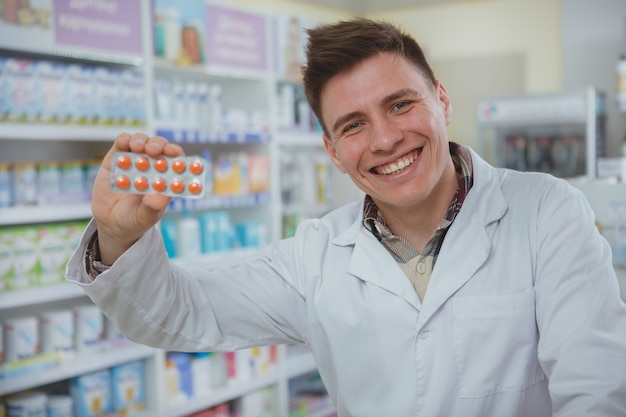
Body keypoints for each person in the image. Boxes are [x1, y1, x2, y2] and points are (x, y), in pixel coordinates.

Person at [66, 18, 626, 417]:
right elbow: (178, 313)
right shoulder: (314, 254)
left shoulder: (547, 212)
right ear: (332, 150)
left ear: (442, 101)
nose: (385, 139)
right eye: (353, 125)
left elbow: (597, 392)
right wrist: (119, 236)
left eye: (401, 104)